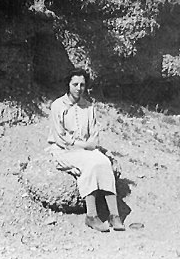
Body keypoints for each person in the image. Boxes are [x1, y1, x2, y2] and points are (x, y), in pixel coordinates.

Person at [47, 68, 125, 232]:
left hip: (86, 150)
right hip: (64, 150)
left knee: (104, 162)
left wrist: (90, 146)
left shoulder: (89, 107)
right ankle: (91, 216)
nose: (78, 88)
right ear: (68, 85)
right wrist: (84, 146)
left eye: (82, 85)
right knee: (90, 163)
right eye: (75, 84)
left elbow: (94, 135)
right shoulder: (57, 106)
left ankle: (114, 215)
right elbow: (60, 138)